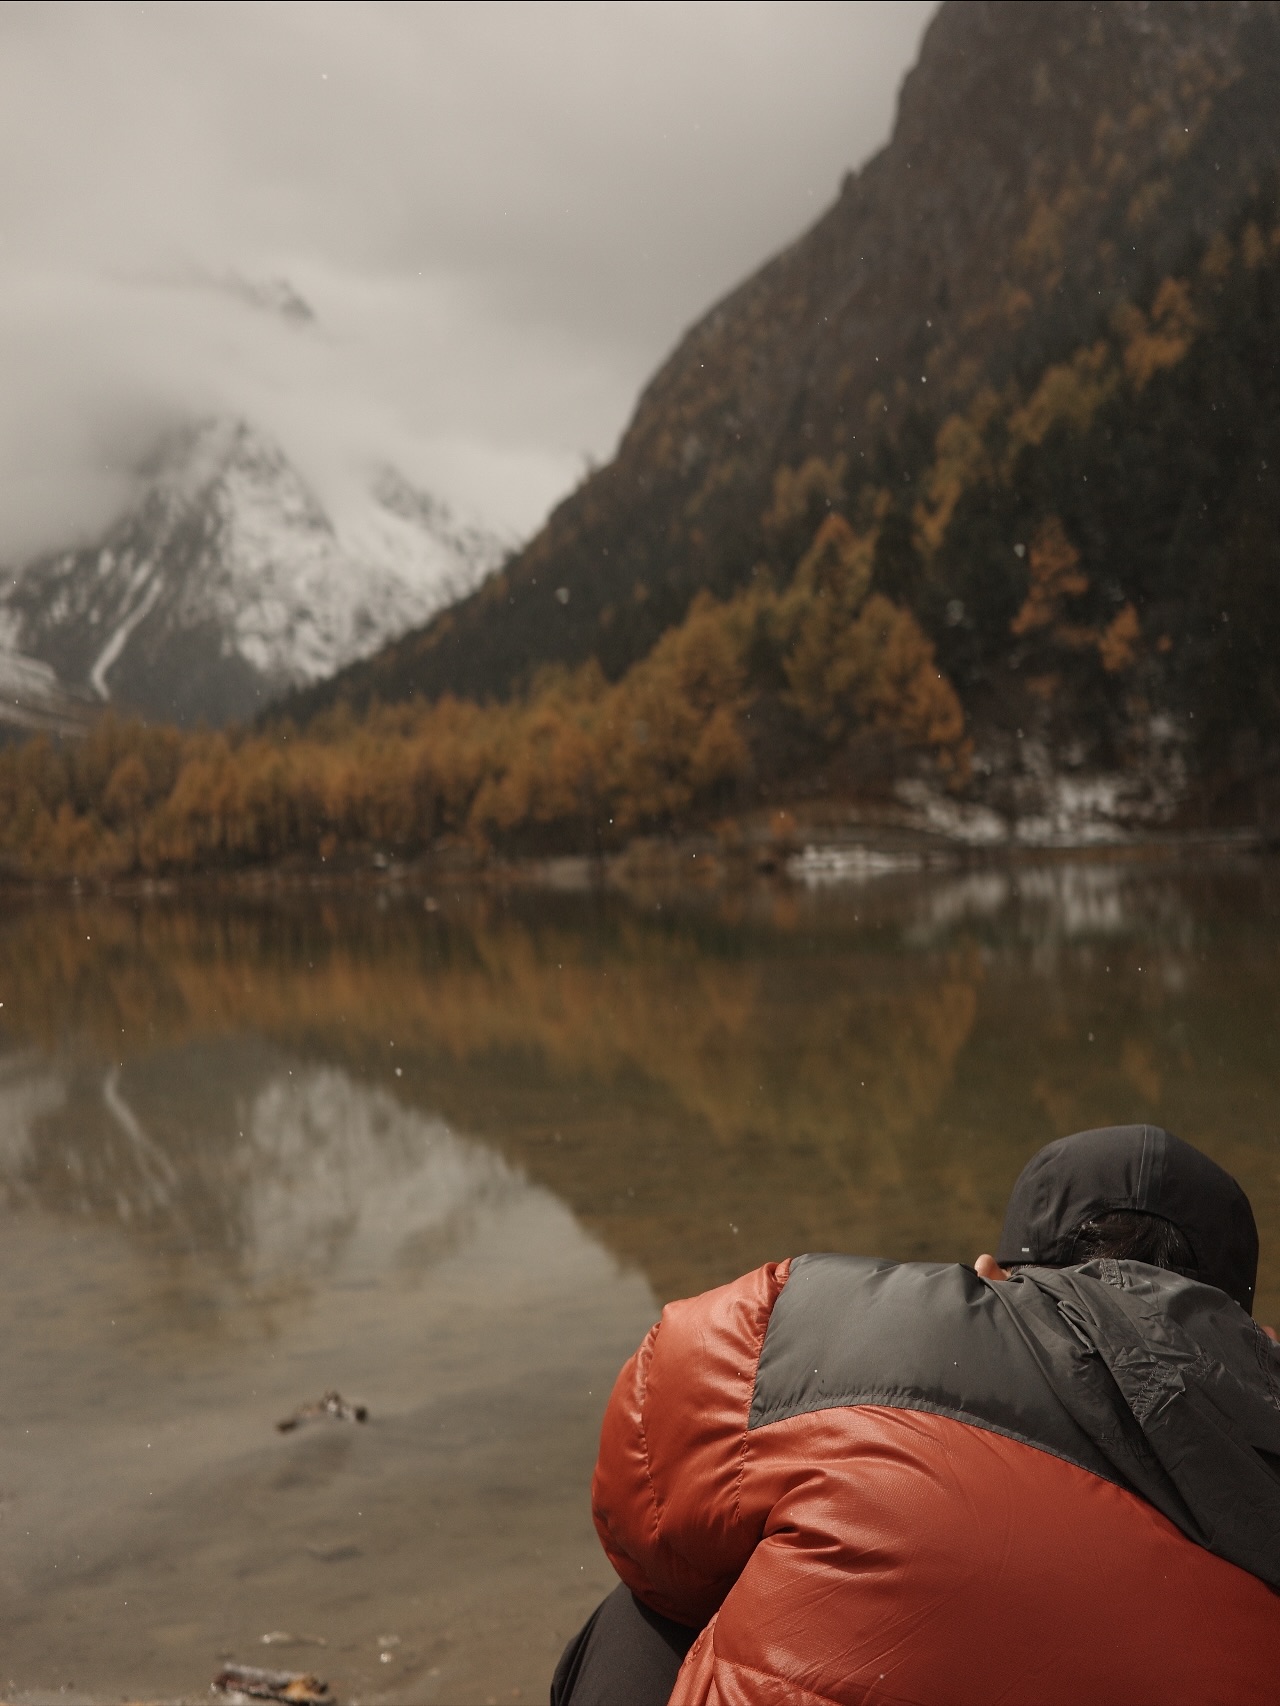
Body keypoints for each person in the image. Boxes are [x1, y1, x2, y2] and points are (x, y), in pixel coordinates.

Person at [551, 1125, 1280, 1706]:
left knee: (654, 1603)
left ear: (993, 1273)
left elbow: (642, 1503)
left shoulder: (827, 1323)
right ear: (1236, 1325)